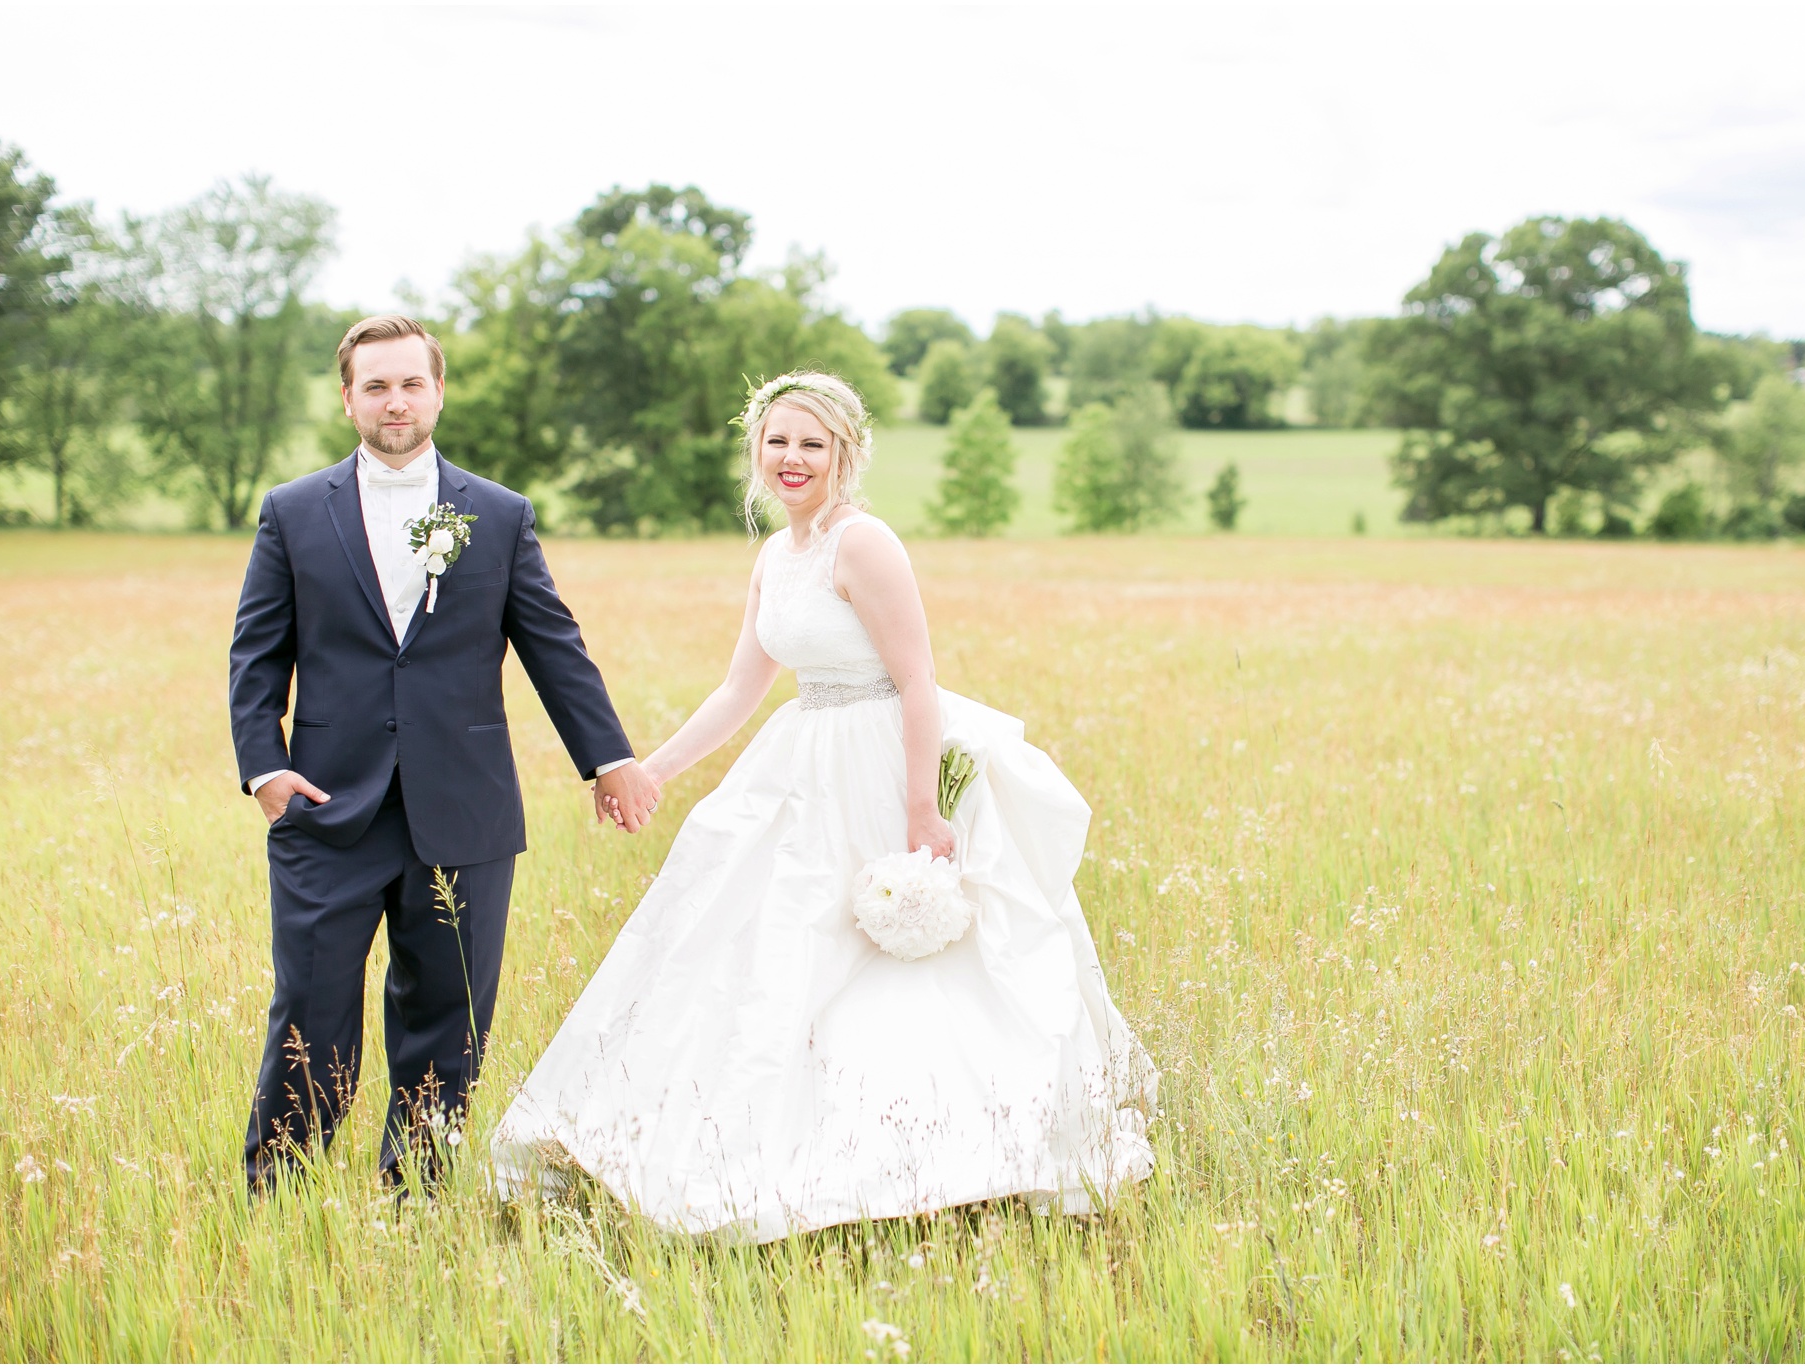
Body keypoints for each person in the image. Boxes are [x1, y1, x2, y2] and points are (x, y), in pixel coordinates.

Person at [490, 372, 1155, 1241]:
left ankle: (950, 1152)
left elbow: (917, 680)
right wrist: (649, 769)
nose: (792, 459)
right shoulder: (776, 554)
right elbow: (740, 688)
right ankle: (764, 1140)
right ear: (756, 452)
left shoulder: (864, 543)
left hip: (883, 758)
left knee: (896, 959)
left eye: (813, 444)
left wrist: (923, 810)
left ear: (847, 453)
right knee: (760, 941)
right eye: (778, 442)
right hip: (802, 756)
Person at [228, 315, 661, 1190]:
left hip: (463, 810)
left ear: (438, 391)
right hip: (325, 808)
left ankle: (416, 1199)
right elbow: (256, 651)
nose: (396, 400)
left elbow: (553, 643)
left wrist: (609, 759)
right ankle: (279, 1196)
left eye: (411, 383)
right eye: (376, 385)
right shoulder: (291, 511)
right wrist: (266, 770)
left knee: (447, 1018)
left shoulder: (497, 515)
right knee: (309, 1013)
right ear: (348, 397)